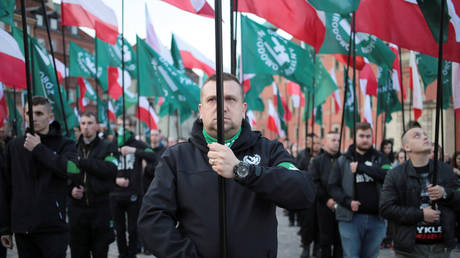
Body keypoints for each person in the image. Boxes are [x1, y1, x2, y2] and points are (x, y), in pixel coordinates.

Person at [138, 73, 315, 258]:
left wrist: (242, 171)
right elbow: (152, 220)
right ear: (201, 109)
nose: (222, 107)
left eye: (230, 99)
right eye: (212, 100)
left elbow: (303, 192)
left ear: (243, 108)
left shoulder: (269, 150)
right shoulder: (177, 157)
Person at [0, 96, 79, 258]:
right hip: (24, 228)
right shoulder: (14, 146)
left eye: (39, 113)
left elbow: (72, 170)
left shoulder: (65, 144)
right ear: (24, 115)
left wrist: (39, 149)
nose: (33, 117)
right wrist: (5, 228)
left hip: (52, 228)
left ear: (50, 117)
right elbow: (4, 187)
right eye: (29, 113)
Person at [380, 127, 460, 257]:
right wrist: (421, 214)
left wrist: (445, 193)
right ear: (407, 147)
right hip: (409, 248)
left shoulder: (445, 169)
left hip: (441, 247)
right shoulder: (395, 175)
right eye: (417, 136)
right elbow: (386, 208)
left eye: (425, 134)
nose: (425, 137)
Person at [327, 122, 391, 258]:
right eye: (361, 136)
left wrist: (362, 168)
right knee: (351, 256)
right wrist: (347, 202)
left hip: (377, 218)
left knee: (371, 256)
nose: (365, 139)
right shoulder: (343, 160)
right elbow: (332, 186)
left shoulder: (380, 158)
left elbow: (388, 175)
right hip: (350, 219)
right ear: (354, 137)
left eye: (368, 136)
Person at [69, 111, 119, 258]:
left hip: (100, 211)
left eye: (90, 123)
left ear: (97, 126)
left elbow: (110, 169)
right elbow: (65, 174)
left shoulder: (108, 147)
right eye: (83, 123)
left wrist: (83, 162)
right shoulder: (72, 148)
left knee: (100, 252)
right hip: (78, 213)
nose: (86, 127)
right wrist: (71, 190)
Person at [111, 116, 156, 258]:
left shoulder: (137, 144)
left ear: (131, 127)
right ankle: (122, 254)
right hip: (115, 193)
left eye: (125, 125)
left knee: (133, 228)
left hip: (134, 193)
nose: (122, 129)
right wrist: (115, 179)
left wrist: (134, 151)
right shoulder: (111, 144)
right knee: (119, 229)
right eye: (119, 125)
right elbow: (105, 166)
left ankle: (132, 254)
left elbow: (152, 155)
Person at [309, 131, 342, 258]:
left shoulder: (344, 159)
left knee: (340, 241)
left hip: (341, 204)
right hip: (323, 206)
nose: (336, 143)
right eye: (333, 140)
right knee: (325, 240)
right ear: (326, 142)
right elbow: (314, 183)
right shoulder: (317, 161)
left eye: (338, 140)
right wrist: (327, 199)